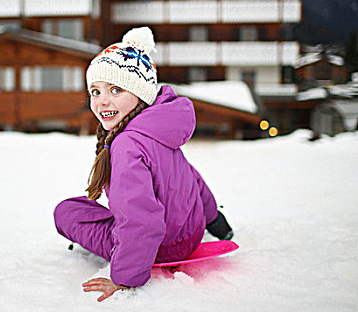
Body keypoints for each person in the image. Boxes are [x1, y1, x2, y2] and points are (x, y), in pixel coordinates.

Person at [54, 27, 233, 302]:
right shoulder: (159, 130)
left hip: (159, 247)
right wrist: (216, 222)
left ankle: (130, 258)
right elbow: (193, 180)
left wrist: (125, 278)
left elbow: (141, 218)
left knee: (67, 211)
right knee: (84, 204)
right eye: (96, 91)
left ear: (140, 94)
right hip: (190, 234)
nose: (103, 100)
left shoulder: (127, 145)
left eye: (116, 90)